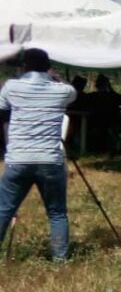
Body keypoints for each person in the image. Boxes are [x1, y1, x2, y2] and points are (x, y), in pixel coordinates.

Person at [0, 49, 77, 260]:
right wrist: (55, 78)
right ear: (48, 67)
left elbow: (3, 111)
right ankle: (60, 259)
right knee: (57, 213)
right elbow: (72, 93)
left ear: (23, 67)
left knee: (4, 209)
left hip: (18, 158)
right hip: (50, 159)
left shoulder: (11, 87)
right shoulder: (63, 91)